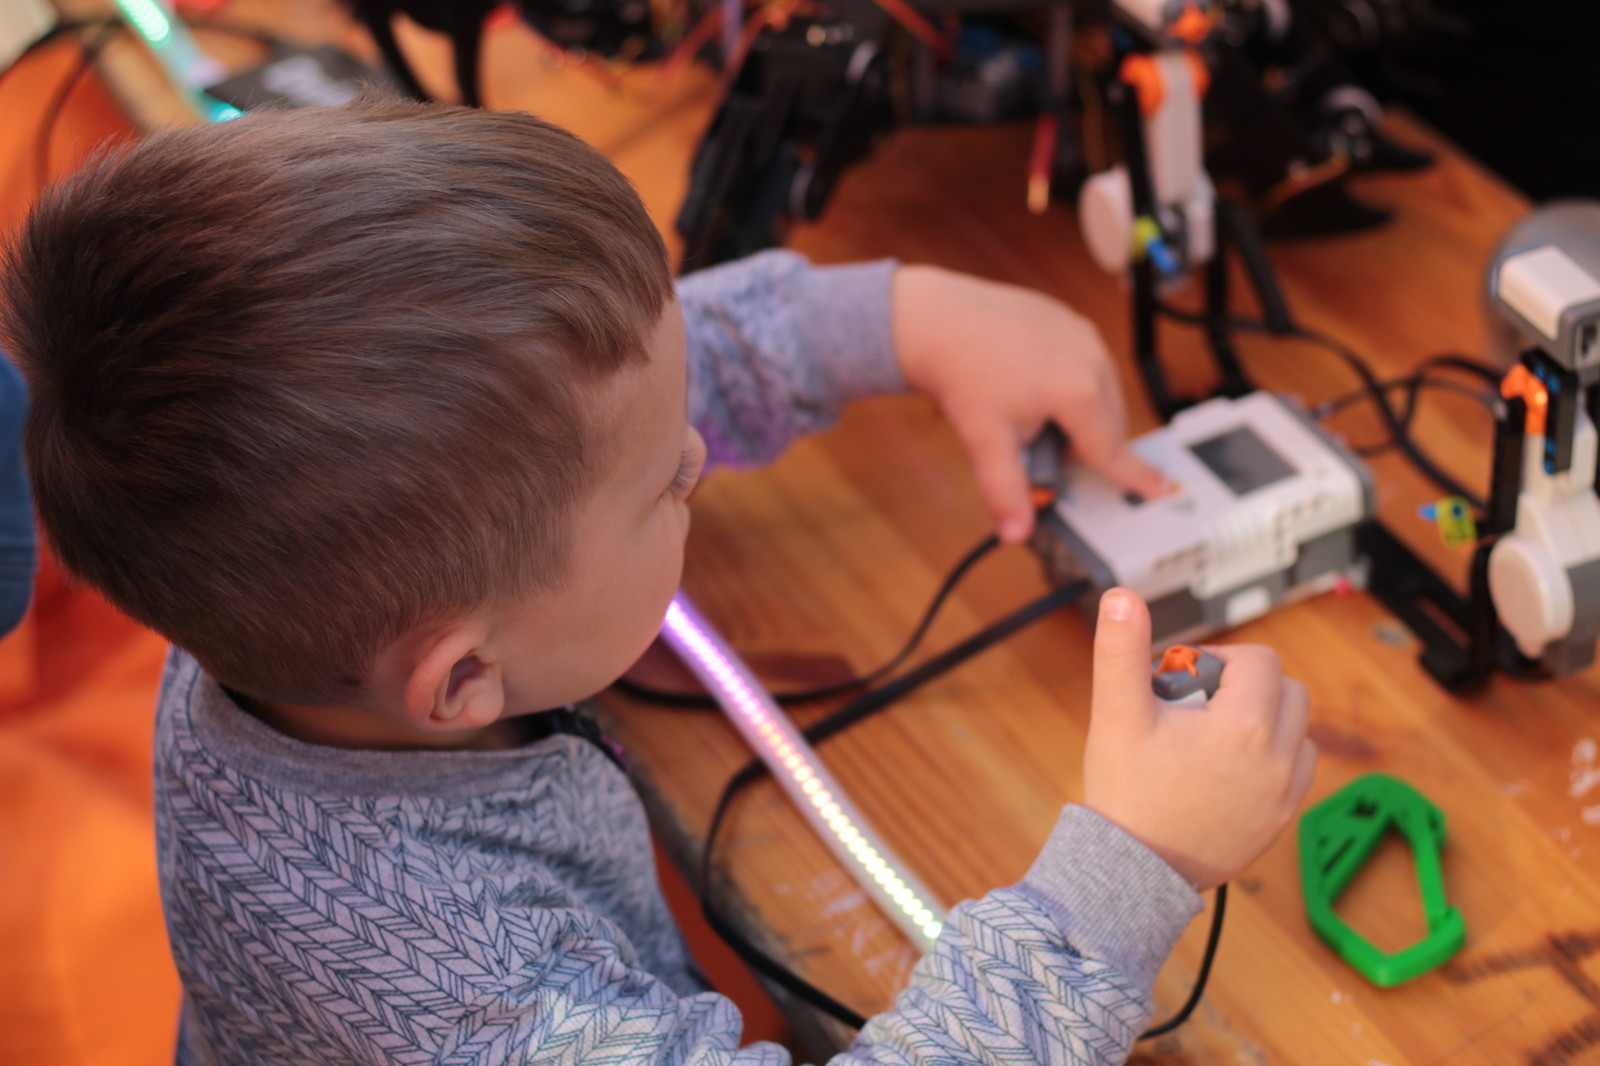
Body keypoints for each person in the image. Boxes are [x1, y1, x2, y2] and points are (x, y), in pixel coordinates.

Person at [0, 96, 1315, 1066]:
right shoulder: (460, 995)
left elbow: (601, 387)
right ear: (463, 679)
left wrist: (891, 318)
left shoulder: (266, 564)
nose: (697, 453)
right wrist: (1132, 869)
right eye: (665, 488)